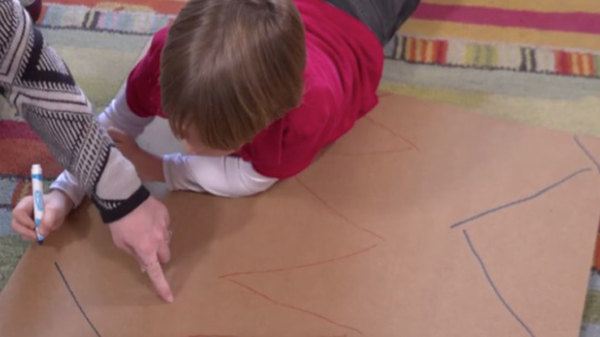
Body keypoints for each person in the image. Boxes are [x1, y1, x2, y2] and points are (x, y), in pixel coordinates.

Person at [6, 0, 420, 303]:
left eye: (211, 144)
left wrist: (159, 166)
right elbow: (113, 123)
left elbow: (249, 177)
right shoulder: (168, 59)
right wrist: (65, 192)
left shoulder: (308, 114)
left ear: (267, 119)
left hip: (360, 21)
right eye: (180, 127)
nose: (186, 146)